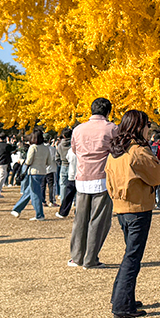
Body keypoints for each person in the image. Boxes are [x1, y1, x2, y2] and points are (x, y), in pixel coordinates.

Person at [105, 109, 160, 318]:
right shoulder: (138, 151)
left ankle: (122, 296)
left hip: (121, 208)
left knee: (129, 254)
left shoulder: (116, 151)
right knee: (133, 257)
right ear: (140, 126)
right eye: (147, 125)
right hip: (139, 208)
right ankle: (122, 304)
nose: (149, 129)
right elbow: (157, 176)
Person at [68, 99, 116, 269]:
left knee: (80, 219)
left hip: (82, 177)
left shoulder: (78, 129)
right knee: (98, 220)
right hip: (102, 177)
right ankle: (90, 258)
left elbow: (74, 150)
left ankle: (76, 257)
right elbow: (117, 150)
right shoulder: (111, 128)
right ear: (108, 112)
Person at [11, 131, 51, 221]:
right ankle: (17, 209)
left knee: (35, 194)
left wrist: (22, 162)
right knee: (29, 192)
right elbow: (49, 162)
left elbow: (28, 161)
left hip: (34, 172)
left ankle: (39, 215)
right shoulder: (46, 148)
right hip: (43, 172)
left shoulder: (33, 147)